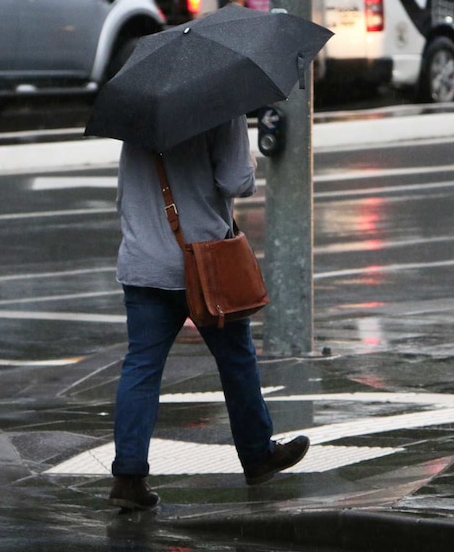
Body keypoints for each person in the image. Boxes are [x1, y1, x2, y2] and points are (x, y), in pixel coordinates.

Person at [108, 115, 310, 511]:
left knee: (141, 367)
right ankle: (257, 455)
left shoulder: (139, 110)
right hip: (205, 263)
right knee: (236, 359)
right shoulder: (222, 108)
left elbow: (124, 192)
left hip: (142, 262)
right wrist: (247, 162)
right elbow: (237, 182)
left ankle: (128, 476)